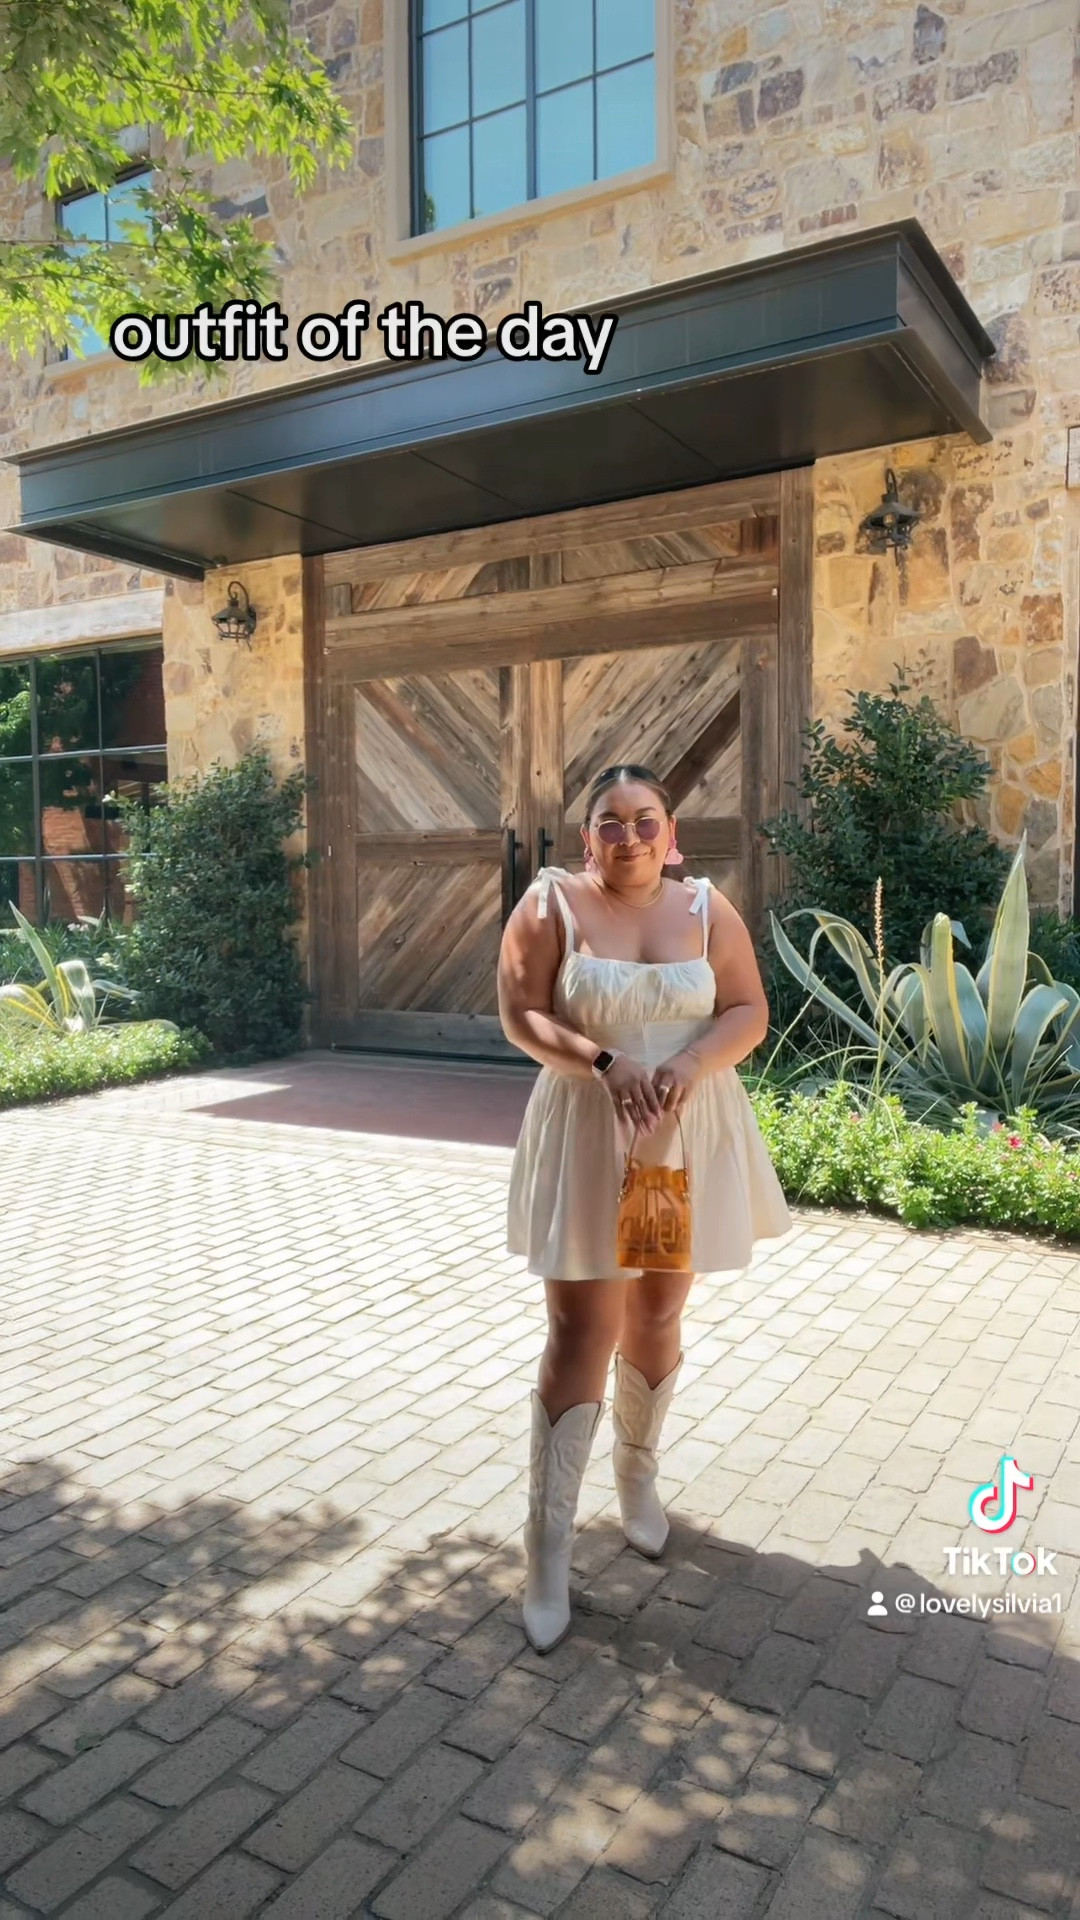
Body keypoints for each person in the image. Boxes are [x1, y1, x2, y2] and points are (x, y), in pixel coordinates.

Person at [497, 763, 792, 1652]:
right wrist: (605, 1062)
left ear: (672, 833)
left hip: (675, 1146)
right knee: (581, 1330)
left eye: (645, 819)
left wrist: (692, 1063)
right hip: (592, 1142)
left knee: (659, 1310)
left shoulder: (706, 907)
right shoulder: (550, 905)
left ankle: (637, 1476)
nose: (629, 836)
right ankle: (548, 1549)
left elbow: (747, 1009)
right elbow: (520, 1014)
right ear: (587, 838)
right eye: (610, 822)